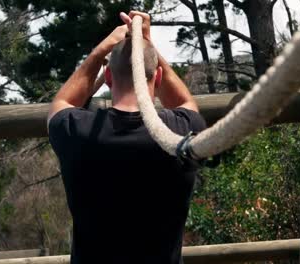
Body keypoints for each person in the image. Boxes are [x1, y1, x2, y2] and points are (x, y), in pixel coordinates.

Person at [47, 11, 206, 264]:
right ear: (159, 76)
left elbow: (62, 102)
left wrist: (101, 50)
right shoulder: (181, 131)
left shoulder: (76, 131)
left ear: (108, 78)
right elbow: (186, 102)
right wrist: (146, 43)